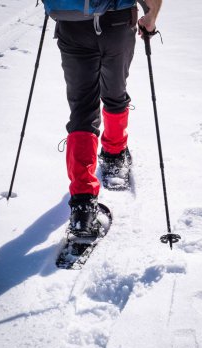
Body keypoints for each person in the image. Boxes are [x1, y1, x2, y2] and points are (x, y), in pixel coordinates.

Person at [43, 0, 162, 237]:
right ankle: (115, 156)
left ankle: (83, 206)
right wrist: (151, 17)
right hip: (117, 23)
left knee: (82, 111)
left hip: (72, 25)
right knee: (115, 94)